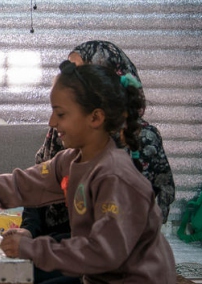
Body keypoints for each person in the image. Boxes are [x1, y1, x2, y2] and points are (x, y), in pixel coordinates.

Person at [0, 60, 176, 284]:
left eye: (60, 114)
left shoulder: (115, 176)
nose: (51, 122)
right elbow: (19, 184)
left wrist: (31, 248)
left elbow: (103, 253)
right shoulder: (70, 161)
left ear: (95, 117)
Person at [21, 40, 175, 243]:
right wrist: (27, 230)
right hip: (54, 240)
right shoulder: (61, 131)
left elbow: (150, 207)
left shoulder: (142, 138)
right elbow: (39, 185)